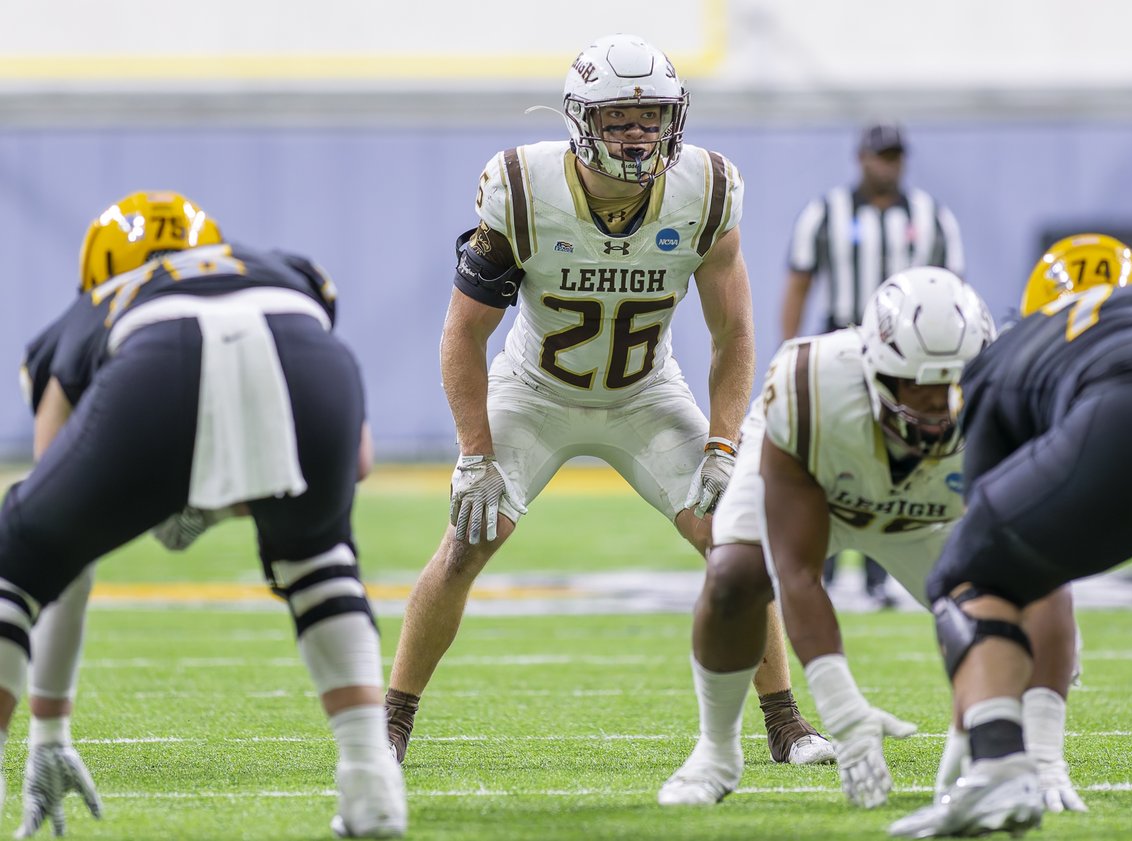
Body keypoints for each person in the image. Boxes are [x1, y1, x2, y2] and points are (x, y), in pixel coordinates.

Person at [383, 32, 833, 770]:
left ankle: (786, 722)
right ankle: (390, 723)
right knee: (466, 541)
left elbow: (734, 333)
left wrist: (724, 443)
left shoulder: (705, 190)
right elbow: (463, 333)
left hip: (644, 394)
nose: (637, 133)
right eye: (618, 117)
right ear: (581, 120)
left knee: (733, 543)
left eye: (651, 116)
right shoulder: (523, 189)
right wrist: (474, 455)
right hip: (535, 393)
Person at [0, 191, 405, 838]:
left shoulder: (91, 308)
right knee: (317, 556)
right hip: (305, 351)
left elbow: (57, 547)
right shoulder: (284, 267)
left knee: (16, 554)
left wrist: (49, 730)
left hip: (155, 361)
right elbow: (357, 461)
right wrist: (220, 502)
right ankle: (371, 783)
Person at [659, 267, 1083, 813]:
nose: (935, 406)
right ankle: (716, 754)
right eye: (916, 385)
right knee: (735, 571)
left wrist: (1043, 754)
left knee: (1027, 602)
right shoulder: (812, 385)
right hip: (820, 492)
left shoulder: (1007, 395)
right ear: (875, 368)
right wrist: (841, 703)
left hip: (926, 520)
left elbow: (1045, 576)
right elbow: (796, 569)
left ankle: (1034, 754)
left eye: (950, 384)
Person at [889, 235, 1132, 838]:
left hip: (1131, 417)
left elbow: (1004, 567)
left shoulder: (1013, 351)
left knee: (969, 570)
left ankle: (999, 768)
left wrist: (973, 728)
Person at [782, 121, 966, 608]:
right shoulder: (826, 212)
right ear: (861, 157)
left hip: (909, 358)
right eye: (881, 156)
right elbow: (799, 284)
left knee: (893, 456)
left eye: (895, 156)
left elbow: (953, 290)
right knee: (825, 454)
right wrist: (791, 351)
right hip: (841, 342)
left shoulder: (932, 216)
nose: (888, 165)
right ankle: (818, 564)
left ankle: (878, 573)